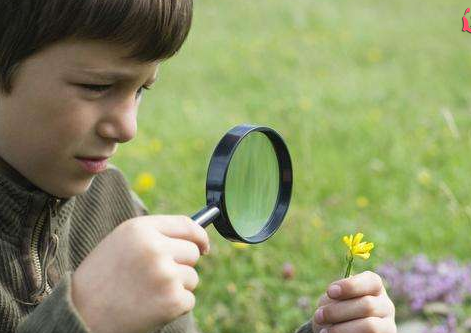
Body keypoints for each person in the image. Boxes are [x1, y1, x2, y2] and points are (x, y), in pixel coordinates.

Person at [0, 0, 397, 332]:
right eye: (96, 87)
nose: (128, 127)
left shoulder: (111, 204)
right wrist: (84, 316)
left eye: (141, 90)